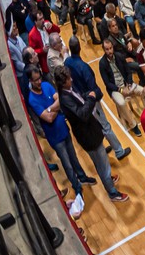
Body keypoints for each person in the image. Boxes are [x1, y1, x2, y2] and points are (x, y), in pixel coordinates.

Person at [56, 68, 130, 203]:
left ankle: (106, 179)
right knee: (103, 164)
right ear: (62, 82)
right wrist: (91, 98)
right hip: (88, 136)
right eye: (68, 79)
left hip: (90, 131)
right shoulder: (65, 98)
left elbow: (79, 100)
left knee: (100, 162)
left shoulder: (68, 91)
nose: (71, 80)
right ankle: (112, 192)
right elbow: (82, 114)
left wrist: (86, 96)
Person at [27, 68, 97, 204]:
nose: (39, 81)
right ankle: (76, 187)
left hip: (64, 130)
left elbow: (59, 102)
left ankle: (82, 177)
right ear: (30, 81)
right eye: (35, 80)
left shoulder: (46, 85)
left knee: (74, 158)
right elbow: (48, 118)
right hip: (55, 137)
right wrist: (55, 108)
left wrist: (49, 109)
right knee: (67, 164)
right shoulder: (32, 99)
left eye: (39, 78)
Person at [97, 38, 145, 136]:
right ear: (104, 50)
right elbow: (107, 83)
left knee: (143, 91)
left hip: (126, 84)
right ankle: (133, 125)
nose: (109, 51)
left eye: (110, 48)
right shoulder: (102, 64)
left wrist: (129, 84)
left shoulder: (119, 56)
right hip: (115, 89)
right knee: (122, 103)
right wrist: (121, 89)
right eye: (107, 49)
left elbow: (128, 71)